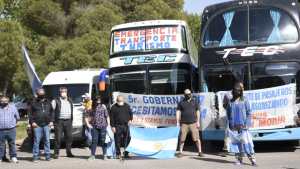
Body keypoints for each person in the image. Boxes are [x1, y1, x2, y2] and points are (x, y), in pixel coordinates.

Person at [226, 82, 257, 166]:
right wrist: (230, 124)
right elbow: (228, 113)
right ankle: (239, 160)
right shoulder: (230, 102)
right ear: (233, 91)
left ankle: (253, 160)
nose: (237, 92)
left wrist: (247, 124)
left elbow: (249, 113)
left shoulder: (245, 100)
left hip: (243, 127)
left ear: (241, 91)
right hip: (234, 127)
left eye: (239, 91)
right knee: (236, 145)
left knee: (247, 144)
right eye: (236, 91)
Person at [176, 89, 203, 157]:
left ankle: (200, 152)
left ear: (191, 94)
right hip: (184, 123)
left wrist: (198, 121)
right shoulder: (181, 102)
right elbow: (178, 112)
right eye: (186, 94)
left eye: (189, 94)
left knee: (197, 138)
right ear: (184, 95)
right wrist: (177, 122)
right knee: (182, 139)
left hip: (193, 123)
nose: (188, 95)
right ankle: (180, 152)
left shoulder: (195, 102)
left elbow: (198, 111)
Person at [29, 88, 53, 162]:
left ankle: (48, 156)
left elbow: (52, 112)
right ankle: (35, 157)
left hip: (47, 124)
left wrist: (51, 121)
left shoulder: (48, 102)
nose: (41, 95)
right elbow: (30, 114)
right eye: (40, 93)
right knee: (37, 141)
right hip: (37, 125)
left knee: (47, 141)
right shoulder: (33, 102)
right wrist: (32, 122)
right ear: (37, 94)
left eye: (42, 93)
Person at [52, 87, 74, 159]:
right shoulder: (56, 101)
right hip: (59, 121)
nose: (64, 93)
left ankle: (69, 152)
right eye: (62, 92)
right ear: (60, 92)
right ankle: (56, 153)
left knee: (69, 137)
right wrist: (52, 121)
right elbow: (51, 111)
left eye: (65, 91)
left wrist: (71, 120)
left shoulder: (70, 100)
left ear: (67, 92)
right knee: (58, 138)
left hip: (68, 121)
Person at [0, 95, 20, 163]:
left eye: (5, 101)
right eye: (2, 101)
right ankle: (1, 157)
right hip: (1, 129)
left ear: (8, 101)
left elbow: (17, 117)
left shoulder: (13, 107)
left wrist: (15, 124)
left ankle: (13, 157)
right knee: (1, 144)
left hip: (11, 129)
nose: (4, 102)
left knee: (12, 143)